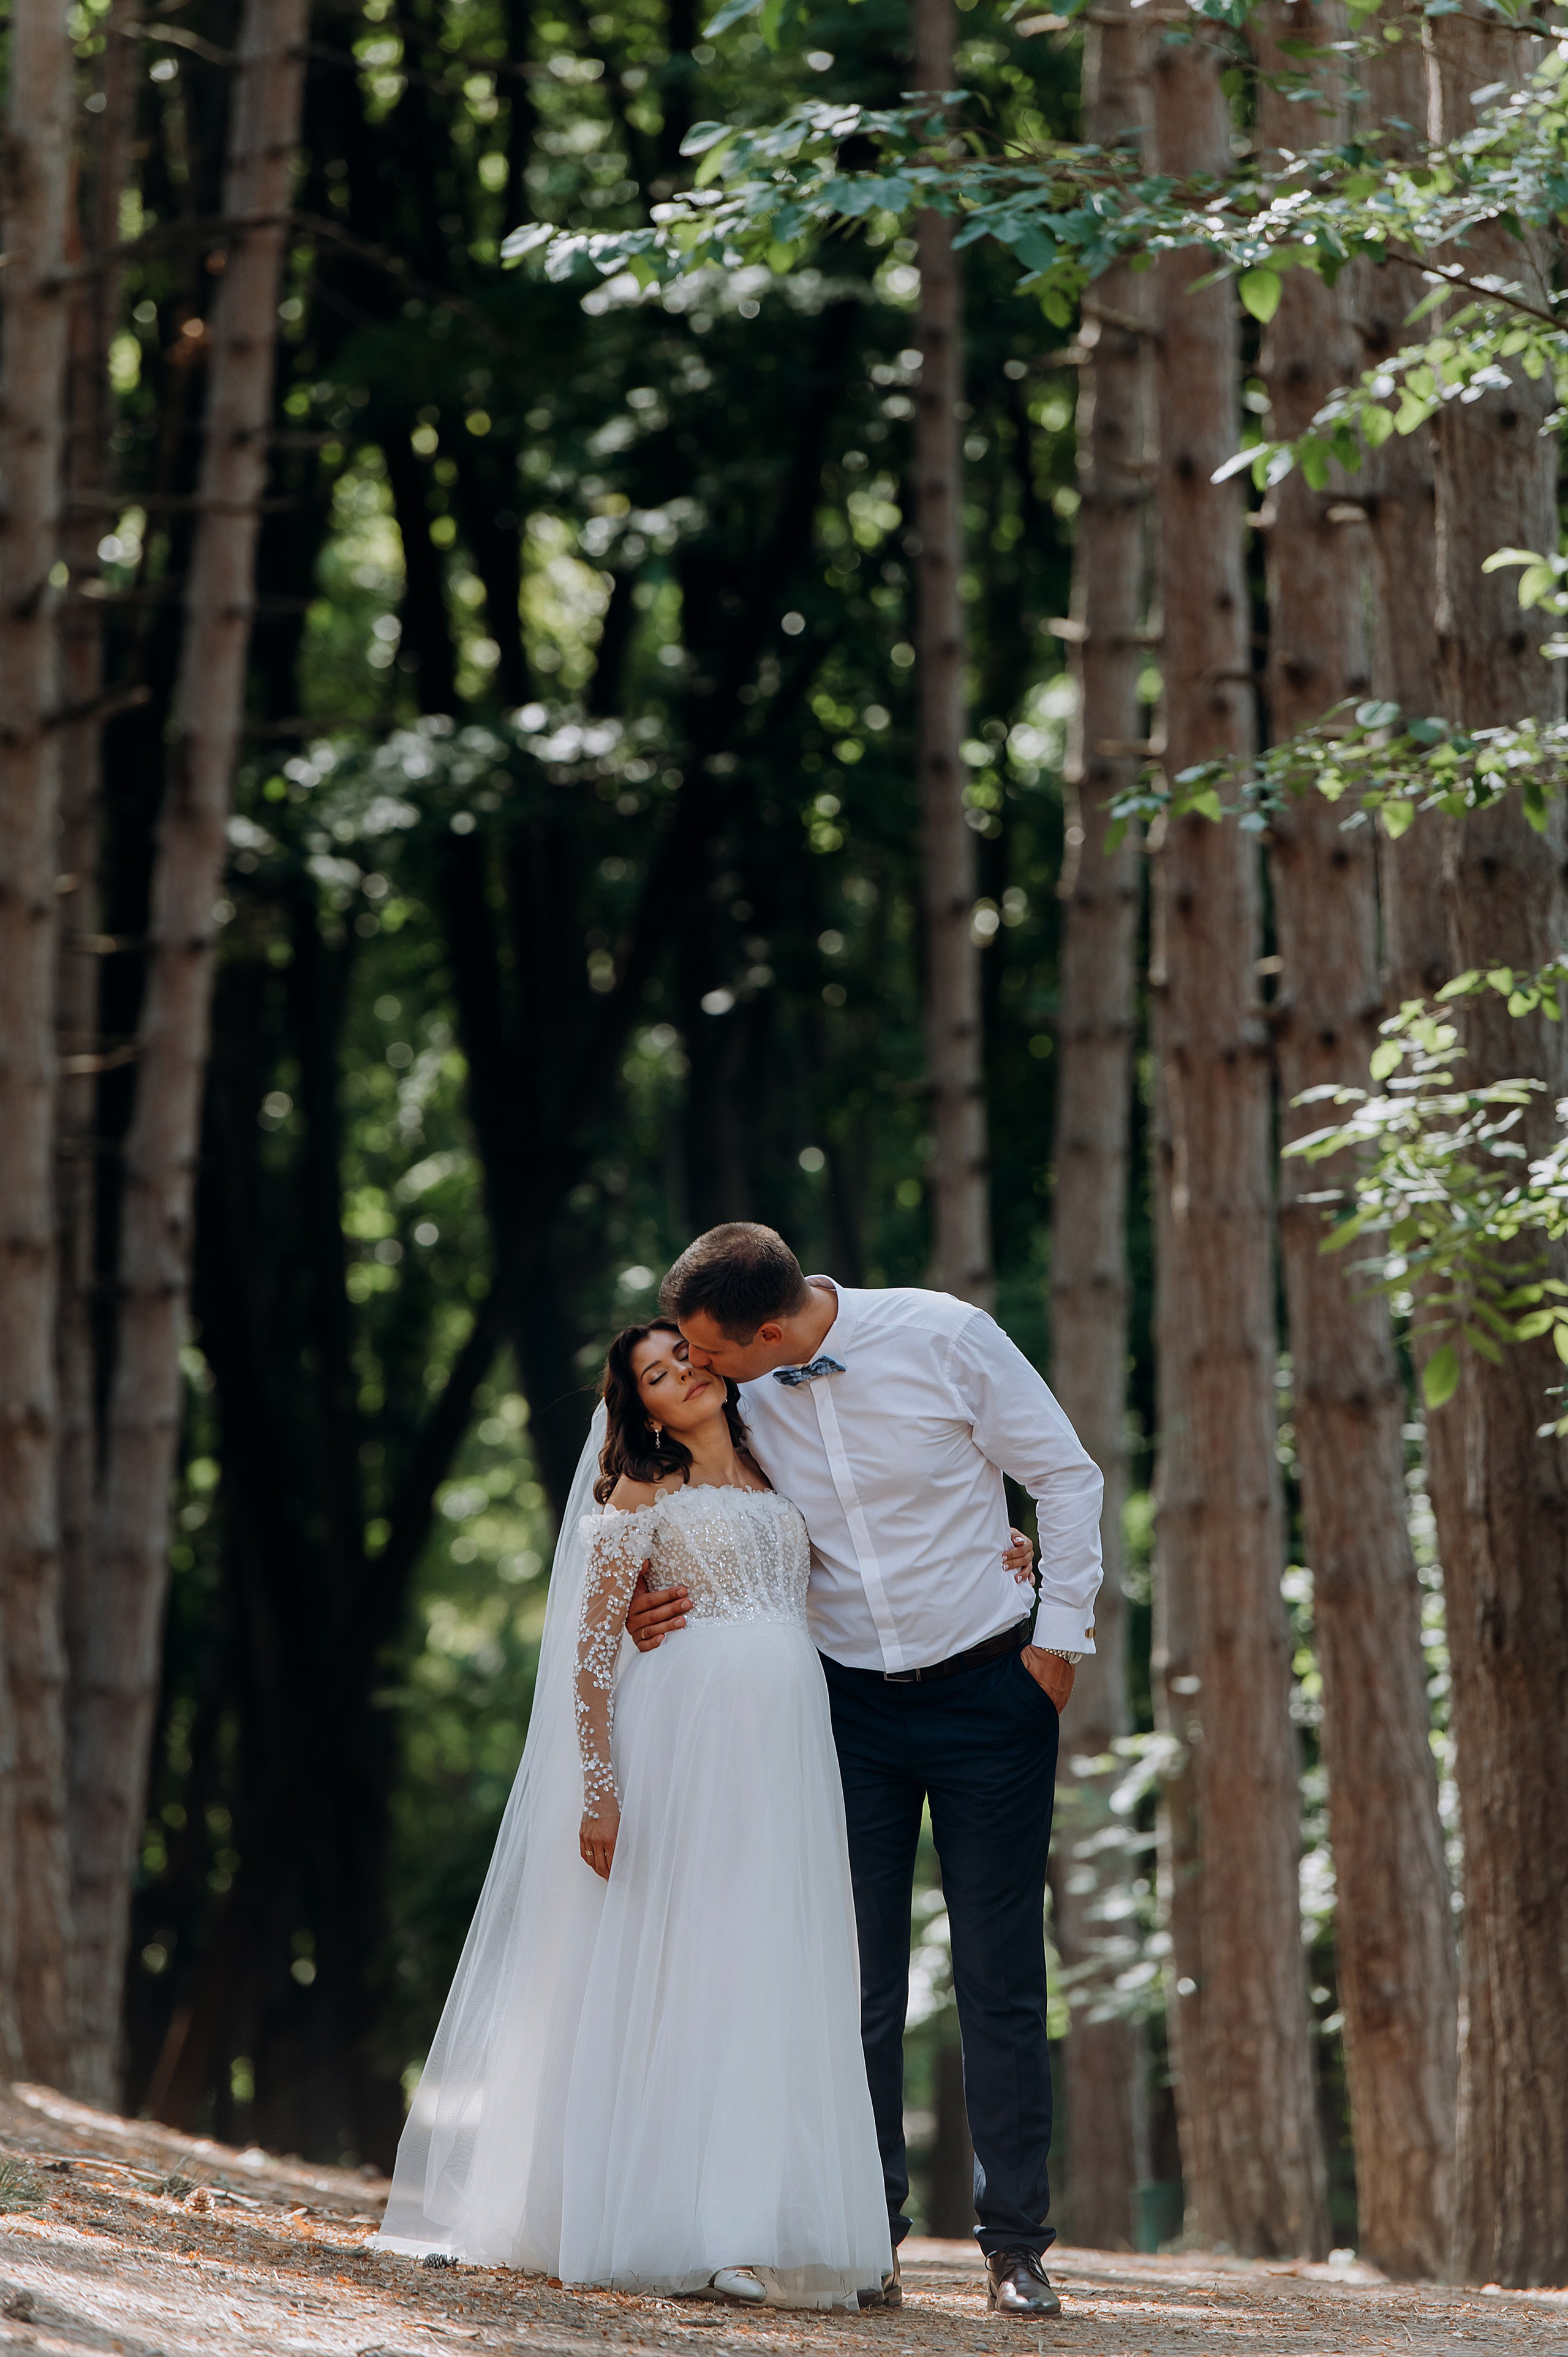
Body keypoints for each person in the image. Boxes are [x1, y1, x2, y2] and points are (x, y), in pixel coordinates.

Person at [628, 1224, 1102, 2319]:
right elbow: (689, 1499)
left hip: (995, 1691)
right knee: (850, 1977)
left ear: (768, 1328)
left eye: (710, 1352)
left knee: (999, 1977)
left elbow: (1066, 1480)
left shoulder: (947, 1337)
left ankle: (1016, 2248)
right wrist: (654, 1597)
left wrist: (1057, 1643)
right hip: (840, 1705)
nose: (697, 1372)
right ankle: (866, 2236)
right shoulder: (739, 1392)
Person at [374, 1318, 894, 2307]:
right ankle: (699, 2226)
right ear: (641, 1406)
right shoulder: (643, 1492)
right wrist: (601, 1793)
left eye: (685, 1358)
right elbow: (588, 1653)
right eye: (655, 1375)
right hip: (686, 1745)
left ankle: (774, 2218)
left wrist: (997, 1549)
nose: (681, 1377)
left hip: (786, 1750)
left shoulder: (783, 1470)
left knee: (770, 1962)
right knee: (693, 1959)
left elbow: (862, 1567)